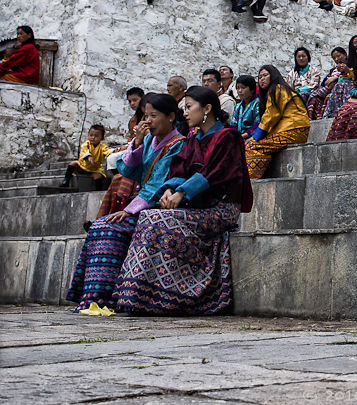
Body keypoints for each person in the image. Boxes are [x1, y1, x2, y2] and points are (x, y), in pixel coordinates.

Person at [109, 86, 252, 315]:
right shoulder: (193, 139)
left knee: (156, 219)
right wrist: (168, 189)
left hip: (222, 208)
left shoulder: (228, 137)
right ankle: (139, 296)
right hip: (197, 206)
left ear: (206, 109)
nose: (185, 113)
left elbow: (213, 173)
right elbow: (180, 169)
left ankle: (172, 295)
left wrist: (182, 192)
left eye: (188, 107)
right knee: (149, 217)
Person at [66, 94, 186, 314]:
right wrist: (138, 143)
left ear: (170, 117)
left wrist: (128, 210)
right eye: (145, 116)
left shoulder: (178, 144)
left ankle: (104, 297)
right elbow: (129, 171)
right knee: (100, 226)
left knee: (108, 229)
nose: (148, 121)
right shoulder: (149, 139)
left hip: (157, 206)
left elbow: (159, 184)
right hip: (141, 204)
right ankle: (91, 297)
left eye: (153, 115)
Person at [245, 66, 310, 179]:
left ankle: (250, 180)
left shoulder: (277, 89)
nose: (262, 79)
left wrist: (255, 137)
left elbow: (271, 115)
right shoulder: (276, 90)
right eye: (259, 77)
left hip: (293, 130)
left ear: (273, 75)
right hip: (293, 130)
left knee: (252, 145)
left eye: (265, 75)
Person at [60, 124, 113, 190]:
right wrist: (89, 156)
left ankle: (98, 190)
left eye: (96, 136)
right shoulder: (86, 144)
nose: (93, 137)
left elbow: (108, 151)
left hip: (94, 169)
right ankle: (66, 181)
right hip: (82, 167)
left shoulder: (102, 147)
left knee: (98, 177)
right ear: (88, 135)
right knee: (72, 164)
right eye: (91, 135)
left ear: (102, 138)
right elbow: (84, 151)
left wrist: (115, 150)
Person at [307, 47, 349, 120]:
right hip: (329, 88)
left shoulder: (349, 65)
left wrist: (336, 78)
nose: (336, 59)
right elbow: (325, 81)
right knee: (314, 98)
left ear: (345, 55)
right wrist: (328, 80)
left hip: (343, 89)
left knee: (329, 97)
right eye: (334, 58)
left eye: (338, 56)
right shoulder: (333, 70)